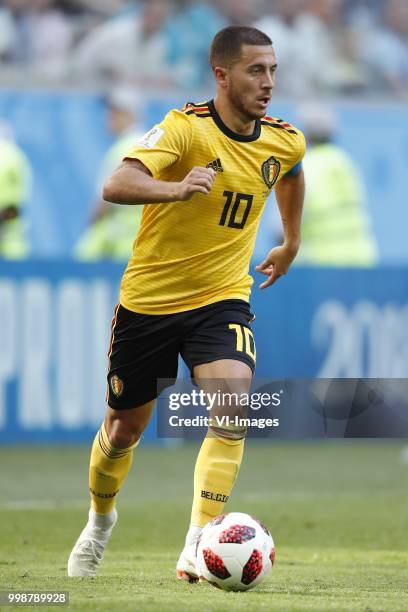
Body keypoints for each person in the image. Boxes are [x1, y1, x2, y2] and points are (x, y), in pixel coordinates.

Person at [67, 25, 306, 580]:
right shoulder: (184, 129)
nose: (268, 82)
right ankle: (100, 522)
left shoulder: (284, 138)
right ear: (222, 75)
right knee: (124, 429)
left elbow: (291, 173)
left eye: (272, 70)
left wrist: (291, 240)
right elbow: (116, 184)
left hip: (222, 299)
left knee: (232, 403)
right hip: (149, 303)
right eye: (255, 71)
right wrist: (175, 187)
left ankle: (198, 542)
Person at [296, 104, 378, 266]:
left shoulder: (306, 166)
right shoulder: (345, 162)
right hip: (361, 259)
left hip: (320, 264)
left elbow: (282, 226)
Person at [74, 87, 144, 261]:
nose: (107, 118)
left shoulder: (125, 147)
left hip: (117, 244)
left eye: (114, 112)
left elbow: (103, 200)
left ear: (129, 114)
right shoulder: (149, 142)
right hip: (139, 243)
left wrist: (92, 221)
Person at [0, 121, 32, 259]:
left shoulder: (8, 156)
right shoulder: (16, 156)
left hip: (9, 241)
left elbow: (12, 208)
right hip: (13, 242)